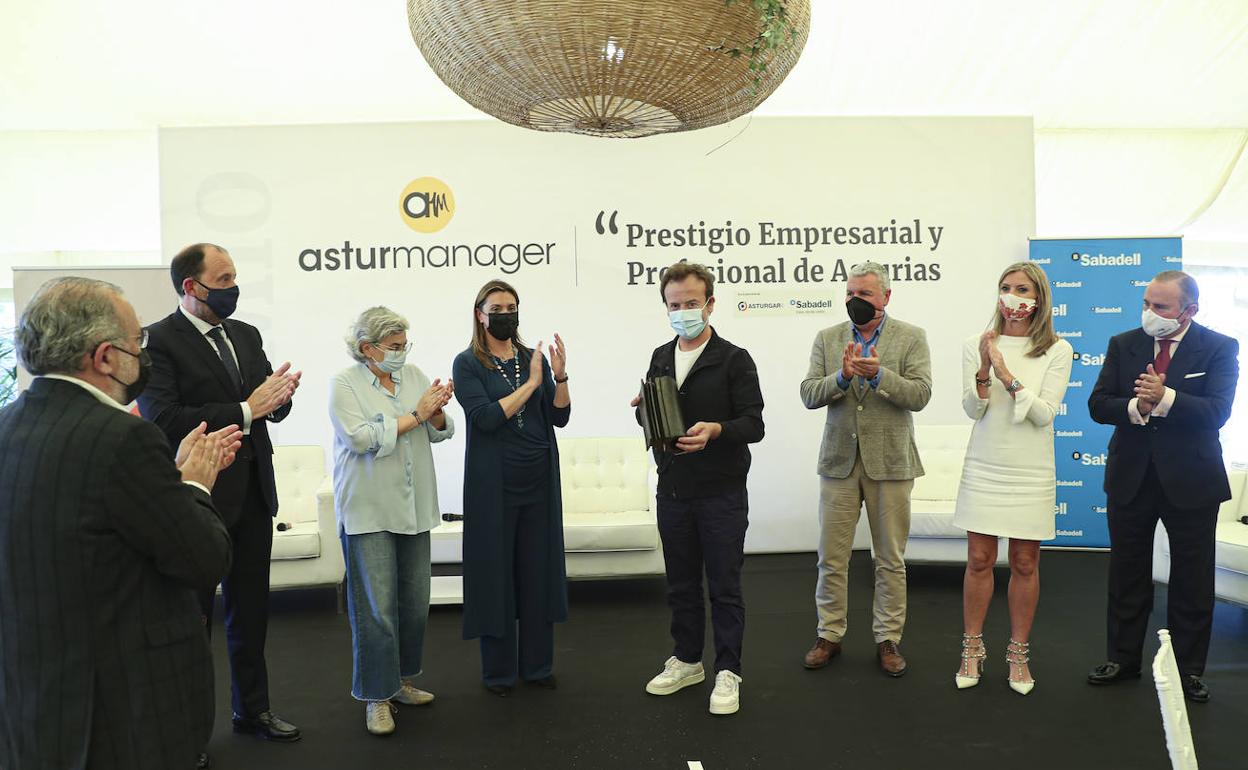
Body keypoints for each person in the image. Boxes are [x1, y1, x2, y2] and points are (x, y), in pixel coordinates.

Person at [0, 277, 240, 770]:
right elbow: (202, 558)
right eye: (139, 342)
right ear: (106, 357)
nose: (143, 353)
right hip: (121, 709)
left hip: (33, 700)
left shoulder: (9, 425)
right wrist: (193, 485)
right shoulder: (124, 439)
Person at [137, 243, 303, 750]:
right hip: (197, 497)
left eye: (234, 277)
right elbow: (164, 418)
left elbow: (267, 405)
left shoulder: (246, 334)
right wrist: (247, 409)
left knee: (251, 614)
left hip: (253, 495)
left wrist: (279, 399)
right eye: (224, 278)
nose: (233, 287)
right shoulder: (158, 342)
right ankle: (187, 734)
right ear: (191, 286)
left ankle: (253, 710)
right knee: (191, 623)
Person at [1086, 270, 1239, 703]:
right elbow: (1098, 404)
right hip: (1131, 476)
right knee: (1127, 572)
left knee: (1192, 578)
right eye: (1147, 303)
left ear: (1189, 310)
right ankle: (1122, 658)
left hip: (1192, 480)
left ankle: (1188, 670)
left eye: (1161, 307)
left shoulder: (1219, 347)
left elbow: (1218, 412)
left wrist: (1167, 397)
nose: (1149, 313)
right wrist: (1138, 405)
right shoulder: (1123, 343)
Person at [634, 262, 765, 716]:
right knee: (681, 585)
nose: (684, 311)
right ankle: (688, 660)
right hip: (673, 489)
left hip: (722, 492)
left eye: (692, 303)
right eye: (675, 305)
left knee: (725, 586)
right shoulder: (659, 356)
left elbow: (754, 424)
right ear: (665, 307)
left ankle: (728, 671)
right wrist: (644, 408)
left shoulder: (734, 359)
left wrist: (715, 430)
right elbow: (655, 419)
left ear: (710, 304)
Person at [799, 260, 932, 677]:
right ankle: (829, 635)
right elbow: (808, 393)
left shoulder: (912, 337)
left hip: (891, 464)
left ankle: (888, 639)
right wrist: (841, 376)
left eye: (865, 294)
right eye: (851, 293)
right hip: (838, 463)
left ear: (886, 297)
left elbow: (921, 395)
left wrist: (881, 377)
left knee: (889, 558)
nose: (855, 300)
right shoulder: (827, 338)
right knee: (831, 558)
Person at [329, 307, 455, 735]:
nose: (402, 354)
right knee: (376, 610)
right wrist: (418, 414)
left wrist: (437, 410)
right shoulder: (344, 384)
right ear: (368, 349)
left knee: (414, 603)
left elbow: (440, 431)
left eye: (405, 346)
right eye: (394, 347)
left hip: (414, 504)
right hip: (368, 508)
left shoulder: (415, 375)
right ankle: (374, 697)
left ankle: (400, 681)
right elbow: (361, 438)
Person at [951, 262, 1073, 695]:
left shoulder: (1058, 349)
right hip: (986, 462)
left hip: (1030, 467)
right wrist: (985, 369)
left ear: (1038, 298)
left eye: (1022, 289)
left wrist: (1006, 373)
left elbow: (1043, 415)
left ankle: (1018, 652)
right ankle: (972, 648)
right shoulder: (976, 343)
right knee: (979, 560)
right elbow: (973, 408)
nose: (1012, 297)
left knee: (1025, 562)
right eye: (1005, 288)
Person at [452, 279, 571, 695]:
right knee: (495, 574)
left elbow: (559, 418)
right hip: (494, 484)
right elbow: (484, 418)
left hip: (538, 476)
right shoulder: (467, 363)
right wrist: (532, 384)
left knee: (538, 573)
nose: (506, 314)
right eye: (497, 308)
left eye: (512, 307)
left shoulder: (529, 357)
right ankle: (498, 672)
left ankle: (538, 666)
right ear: (480, 313)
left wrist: (560, 376)